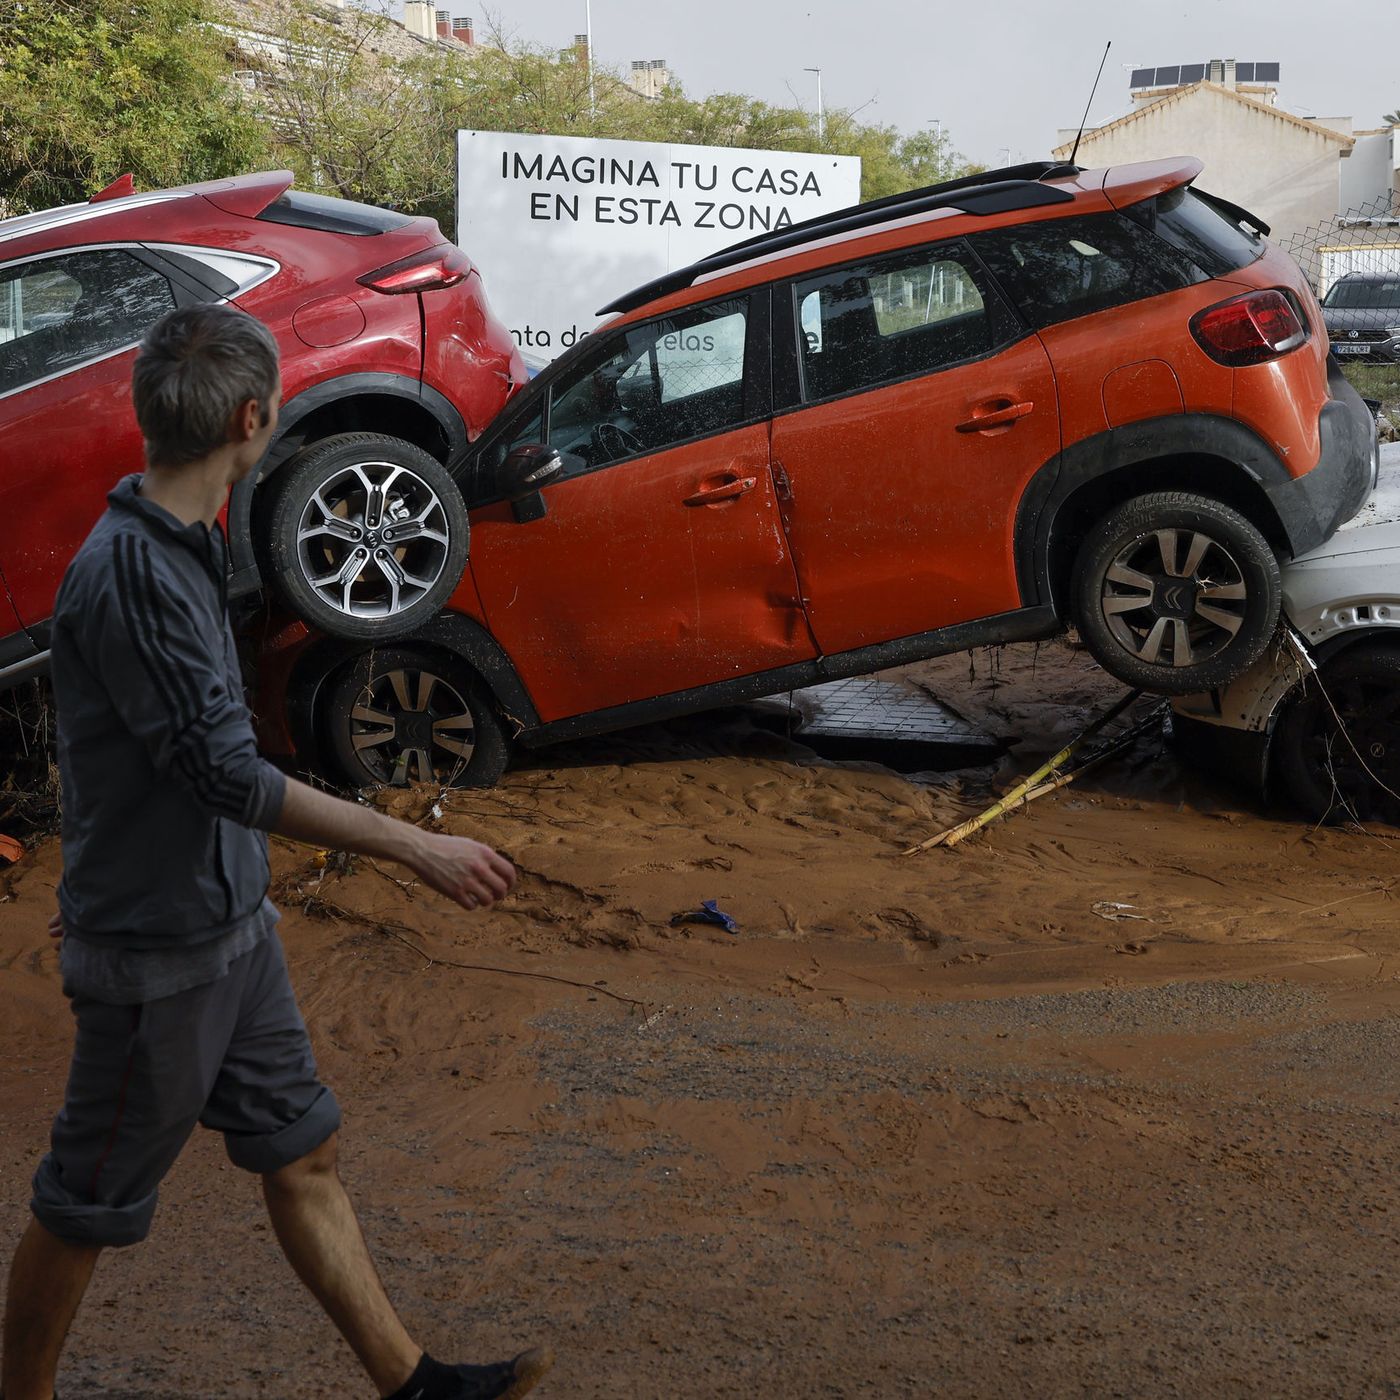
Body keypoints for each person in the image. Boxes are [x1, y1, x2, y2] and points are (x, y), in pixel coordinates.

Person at [0, 304, 552, 1400]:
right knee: (86, 1201)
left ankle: (413, 1386)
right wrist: (411, 845)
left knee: (303, 1149)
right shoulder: (136, 573)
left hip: (230, 931)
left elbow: (124, 749)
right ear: (252, 420)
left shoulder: (185, 537)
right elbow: (226, 777)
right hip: (161, 958)